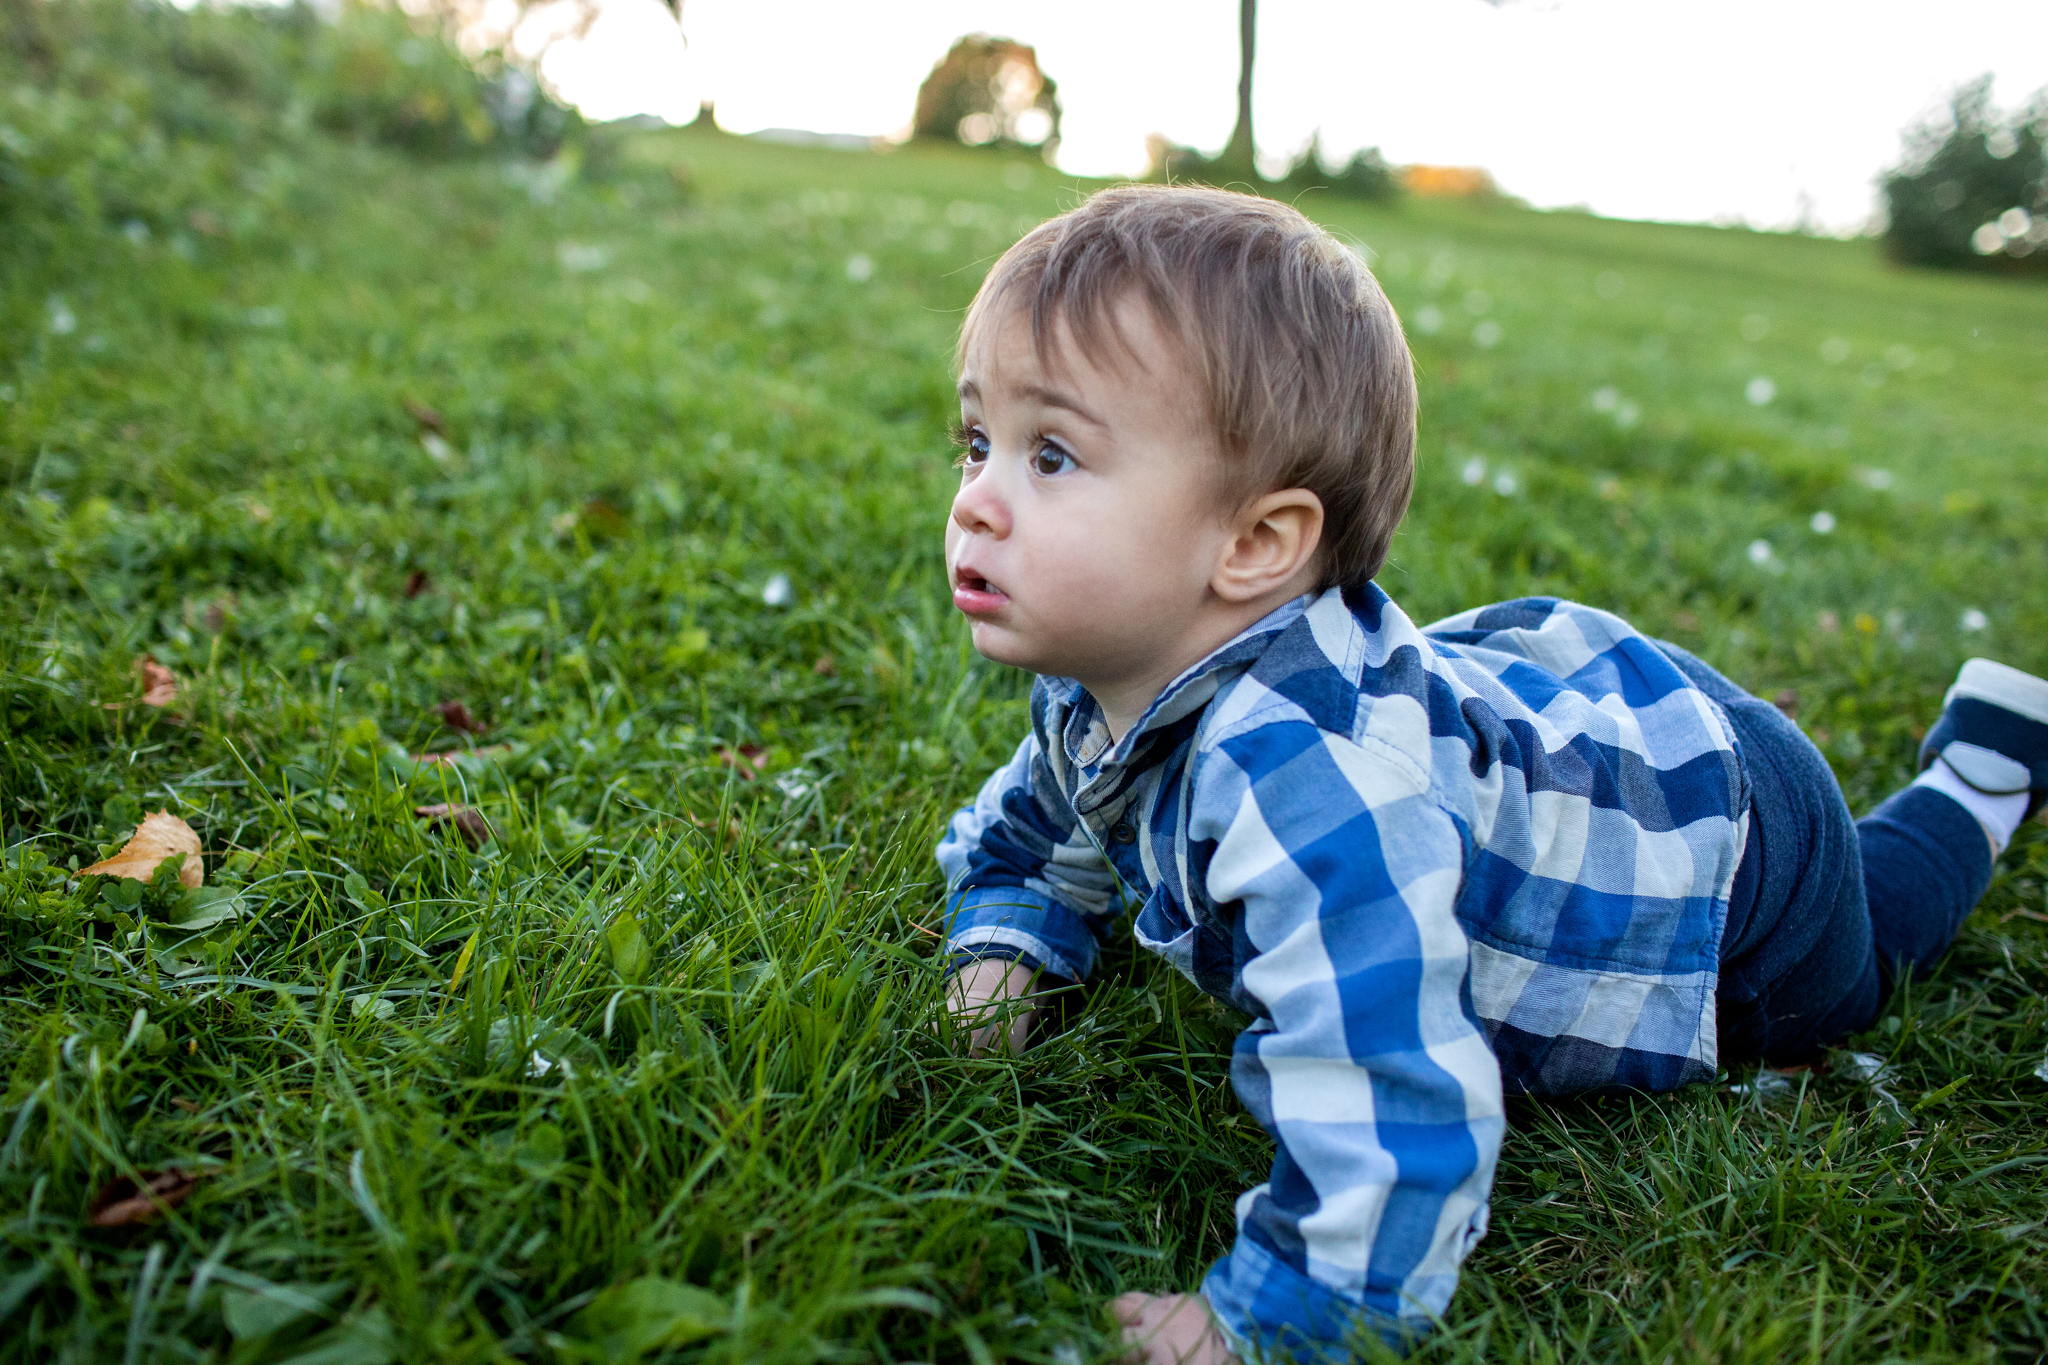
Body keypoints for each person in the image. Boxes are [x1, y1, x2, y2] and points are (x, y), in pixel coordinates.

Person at [932, 184, 2048, 1364]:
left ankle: (1980, 774)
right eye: (975, 442)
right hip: (1597, 726)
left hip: (1728, 855)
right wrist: (1005, 949)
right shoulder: (1102, 682)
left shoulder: (1313, 791)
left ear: (1255, 544)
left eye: (1050, 455)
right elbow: (1030, 829)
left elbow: (1395, 1093)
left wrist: (1278, 1318)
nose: (976, 502)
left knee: (1863, 954)